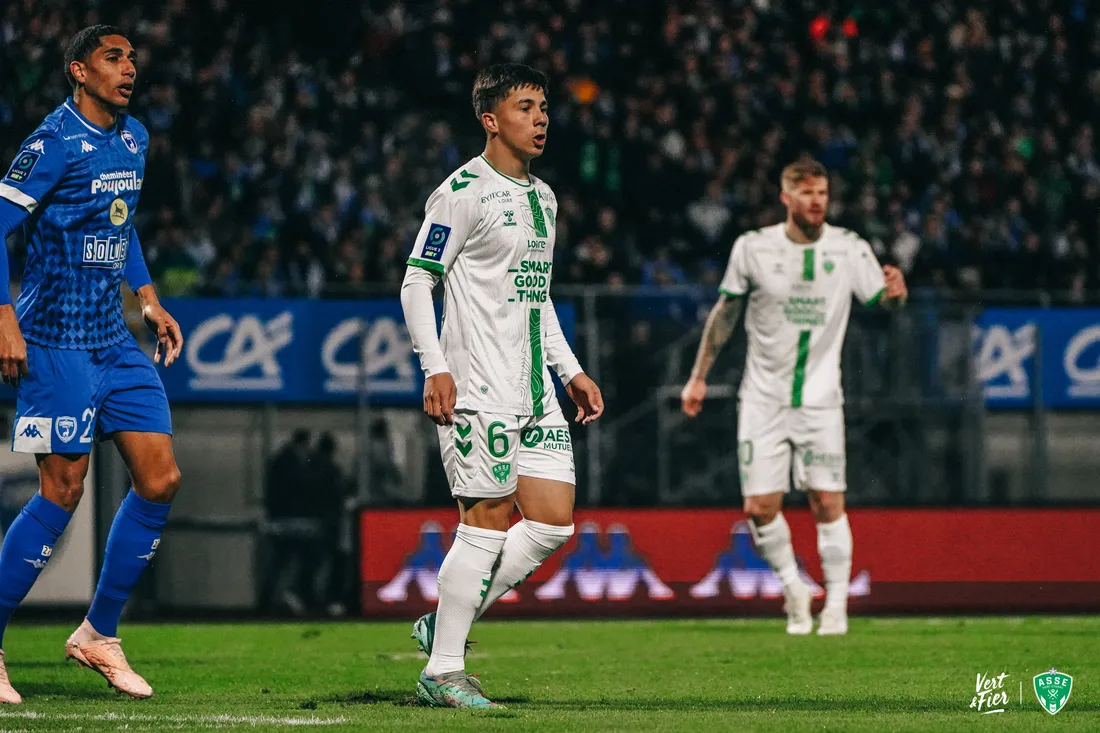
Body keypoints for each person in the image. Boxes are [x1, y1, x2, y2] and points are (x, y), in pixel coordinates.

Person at [400, 63, 603, 708]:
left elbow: (537, 299)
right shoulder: (461, 192)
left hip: (536, 389)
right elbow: (416, 282)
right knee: (485, 523)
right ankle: (443, 671)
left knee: (551, 523)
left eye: (543, 106)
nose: (540, 118)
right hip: (480, 385)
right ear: (491, 120)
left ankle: (446, 626)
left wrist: (569, 371)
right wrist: (436, 366)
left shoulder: (543, 199)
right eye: (525, 107)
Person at [0, 25, 184, 702]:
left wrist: (148, 295)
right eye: (114, 57)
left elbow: (120, 218)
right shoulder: (52, 142)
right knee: (63, 489)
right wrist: (4, 316)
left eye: (132, 57)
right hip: (54, 338)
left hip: (113, 336)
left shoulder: (134, 137)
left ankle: (98, 633)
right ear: (79, 70)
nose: (129, 68)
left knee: (160, 478)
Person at [680, 158, 908, 636]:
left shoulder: (849, 248)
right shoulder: (753, 248)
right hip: (762, 400)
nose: (817, 201)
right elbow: (724, 315)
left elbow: (884, 305)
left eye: (823, 193)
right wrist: (698, 377)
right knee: (759, 509)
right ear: (786, 198)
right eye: (806, 193)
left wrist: (896, 293)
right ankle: (794, 587)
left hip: (821, 401)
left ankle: (839, 604)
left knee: (827, 501)